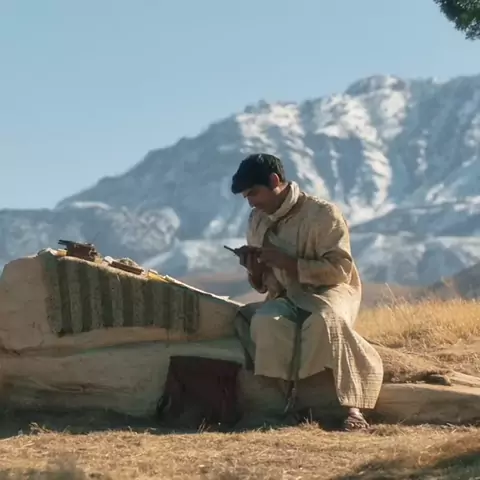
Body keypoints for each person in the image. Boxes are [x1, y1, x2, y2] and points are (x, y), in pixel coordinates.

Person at [230, 153, 384, 431]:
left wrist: (288, 262)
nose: (251, 202)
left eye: (253, 193)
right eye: (246, 197)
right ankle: (286, 406)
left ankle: (351, 408)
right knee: (265, 322)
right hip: (287, 295)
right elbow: (264, 283)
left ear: (274, 181)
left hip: (331, 291)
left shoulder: (323, 214)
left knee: (324, 320)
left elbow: (340, 270)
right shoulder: (257, 220)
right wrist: (254, 269)